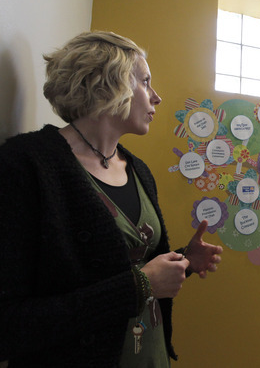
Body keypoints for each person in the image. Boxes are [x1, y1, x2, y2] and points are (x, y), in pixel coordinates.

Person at [0, 31, 223, 367]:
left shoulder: (138, 169)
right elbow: (11, 324)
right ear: (108, 83)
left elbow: (120, 265)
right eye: (145, 82)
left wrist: (183, 260)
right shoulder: (26, 164)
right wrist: (141, 285)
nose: (156, 97)